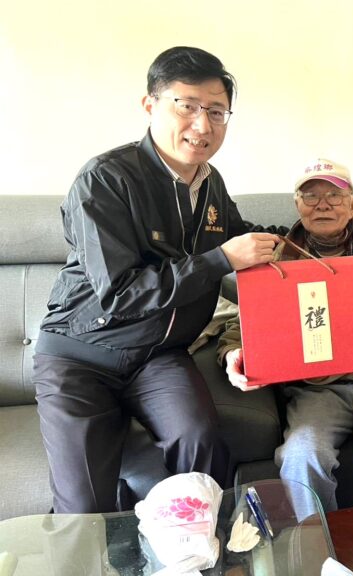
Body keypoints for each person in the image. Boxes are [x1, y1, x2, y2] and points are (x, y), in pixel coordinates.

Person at [33, 46, 281, 513]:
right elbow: (119, 293)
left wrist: (311, 236)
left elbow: (241, 235)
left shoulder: (210, 182)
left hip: (159, 357)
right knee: (83, 507)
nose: (202, 125)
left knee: (202, 449)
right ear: (150, 105)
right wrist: (220, 260)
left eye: (216, 111)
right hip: (81, 357)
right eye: (187, 106)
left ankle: (206, 546)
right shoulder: (105, 179)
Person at [218, 159, 353, 512]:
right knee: (300, 456)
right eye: (311, 196)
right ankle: (317, 539)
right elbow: (241, 326)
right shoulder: (273, 258)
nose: (323, 205)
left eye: (334, 195)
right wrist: (232, 355)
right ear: (297, 205)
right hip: (316, 388)